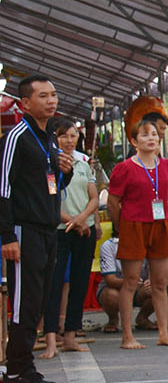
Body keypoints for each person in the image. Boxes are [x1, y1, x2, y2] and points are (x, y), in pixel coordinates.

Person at [2, 77, 75, 383]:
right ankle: (17, 370)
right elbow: (3, 188)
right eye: (42, 96)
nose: (51, 100)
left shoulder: (48, 139)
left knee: (39, 300)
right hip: (23, 229)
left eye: (54, 94)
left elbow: (52, 186)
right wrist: (7, 236)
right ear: (25, 103)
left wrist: (66, 171)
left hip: (47, 229)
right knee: (24, 303)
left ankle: (22, 367)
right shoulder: (17, 136)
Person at [107, 118, 168, 349]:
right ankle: (127, 335)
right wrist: (122, 227)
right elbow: (113, 202)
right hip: (133, 225)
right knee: (130, 282)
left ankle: (163, 333)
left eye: (154, 134)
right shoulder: (124, 168)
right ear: (133, 141)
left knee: (160, 283)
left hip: (160, 226)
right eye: (144, 134)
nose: (151, 138)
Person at [40, 118, 97, 359]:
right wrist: (71, 221)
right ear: (55, 138)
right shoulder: (49, 164)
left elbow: (93, 196)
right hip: (60, 229)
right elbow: (49, 198)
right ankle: (51, 338)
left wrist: (82, 219)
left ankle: (71, 335)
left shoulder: (83, 163)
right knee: (54, 285)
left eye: (73, 136)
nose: (69, 140)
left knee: (80, 282)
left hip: (85, 228)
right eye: (64, 136)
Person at [95, 234, 155, 336]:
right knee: (111, 295)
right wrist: (130, 282)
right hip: (117, 288)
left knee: (157, 288)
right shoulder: (109, 245)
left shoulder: (148, 242)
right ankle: (113, 319)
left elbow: (156, 267)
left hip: (140, 288)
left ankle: (143, 317)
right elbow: (110, 279)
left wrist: (151, 280)